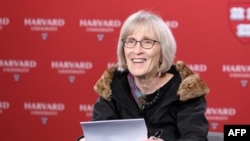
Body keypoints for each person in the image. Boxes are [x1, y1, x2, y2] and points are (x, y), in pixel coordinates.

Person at [77, 10, 209, 141]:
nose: (137, 50)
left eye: (147, 42)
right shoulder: (112, 85)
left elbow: (195, 138)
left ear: (163, 50)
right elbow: (100, 135)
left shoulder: (186, 90)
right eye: (130, 41)